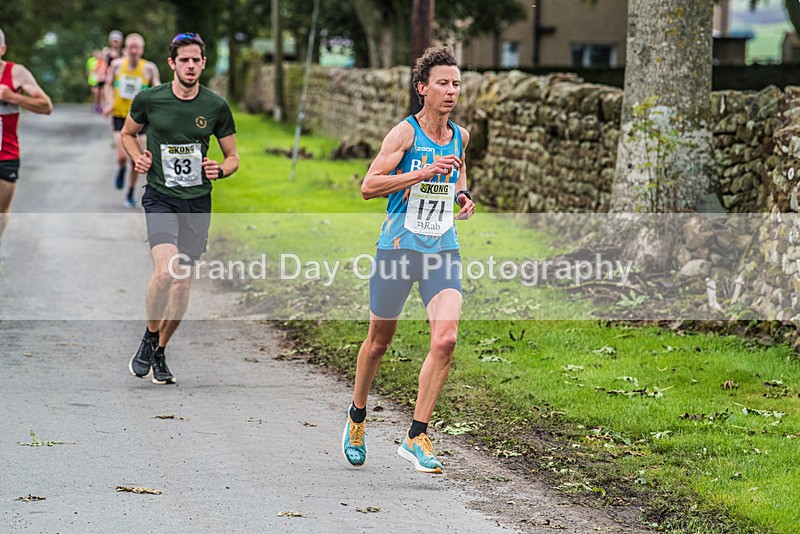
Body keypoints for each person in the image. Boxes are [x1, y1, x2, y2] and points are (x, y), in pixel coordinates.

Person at [342, 46, 476, 474]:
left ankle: (416, 434)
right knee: (378, 343)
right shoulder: (403, 135)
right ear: (422, 88)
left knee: (446, 340)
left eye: (456, 83)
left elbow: (456, 172)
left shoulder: (460, 135)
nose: (451, 91)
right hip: (397, 251)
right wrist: (420, 172)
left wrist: (461, 195)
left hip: (442, 249)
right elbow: (369, 186)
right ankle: (357, 417)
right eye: (443, 83)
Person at [122, 32, 238, 384]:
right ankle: (149, 335)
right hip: (160, 195)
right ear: (172, 64)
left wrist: (221, 168)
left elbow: (233, 157)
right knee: (166, 273)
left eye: (196, 60)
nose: (190, 66)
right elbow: (128, 134)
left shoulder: (215, 106)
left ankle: (158, 349)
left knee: (183, 286)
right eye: (183, 60)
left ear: (203, 63)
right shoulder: (149, 99)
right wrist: (136, 156)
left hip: (197, 202)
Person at [0, 28, 53, 266]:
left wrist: (13, 97)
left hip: (6, 154)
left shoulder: (16, 73)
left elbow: (46, 106)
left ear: (2, 49)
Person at [104, 32, 160, 208]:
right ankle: (120, 169)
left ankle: (130, 191)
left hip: (140, 119)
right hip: (120, 116)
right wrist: (109, 102)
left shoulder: (149, 68)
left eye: (137, 48)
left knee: (137, 159)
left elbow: (157, 89)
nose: (134, 51)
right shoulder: (117, 65)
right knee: (122, 157)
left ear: (142, 50)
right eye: (131, 48)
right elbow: (107, 84)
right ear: (125, 49)